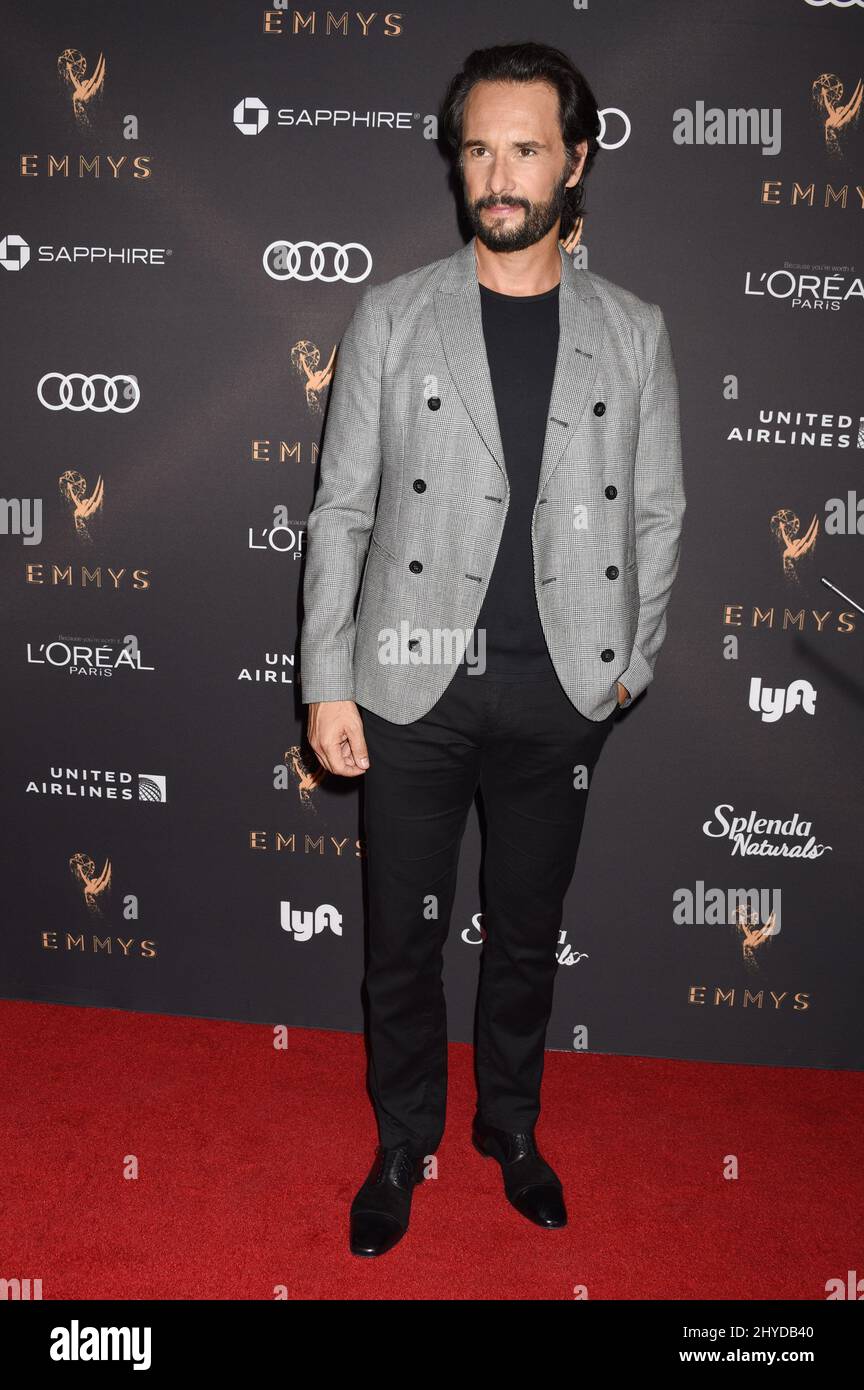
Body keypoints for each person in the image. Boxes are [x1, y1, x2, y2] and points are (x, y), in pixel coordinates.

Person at [300, 41, 686, 1257]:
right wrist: (326, 679)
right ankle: (403, 1139)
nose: (499, 173)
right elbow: (342, 511)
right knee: (402, 941)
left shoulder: (632, 332)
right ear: (456, 160)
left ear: (576, 161)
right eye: (478, 147)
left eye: (525, 147)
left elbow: (660, 510)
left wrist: (631, 661)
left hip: (560, 689)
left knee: (525, 936)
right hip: (410, 687)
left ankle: (510, 1127)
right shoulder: (394, 314)